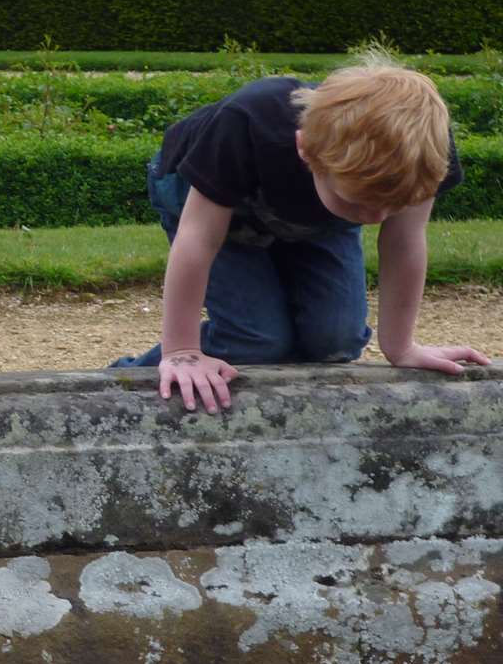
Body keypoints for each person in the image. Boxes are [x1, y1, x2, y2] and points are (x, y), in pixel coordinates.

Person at [111, 51, 488, 412]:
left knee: (335, 341)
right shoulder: (246, 123)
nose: (375, 218)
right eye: (358, 205)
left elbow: (403, 242)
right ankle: (120, 380)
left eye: (394, 206)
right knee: (258, 339)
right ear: (305, 150)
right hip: (212, 207)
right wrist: (181, 352)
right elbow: (198, 239)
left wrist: (401, 346)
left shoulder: (422, 153)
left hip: (315, 213)